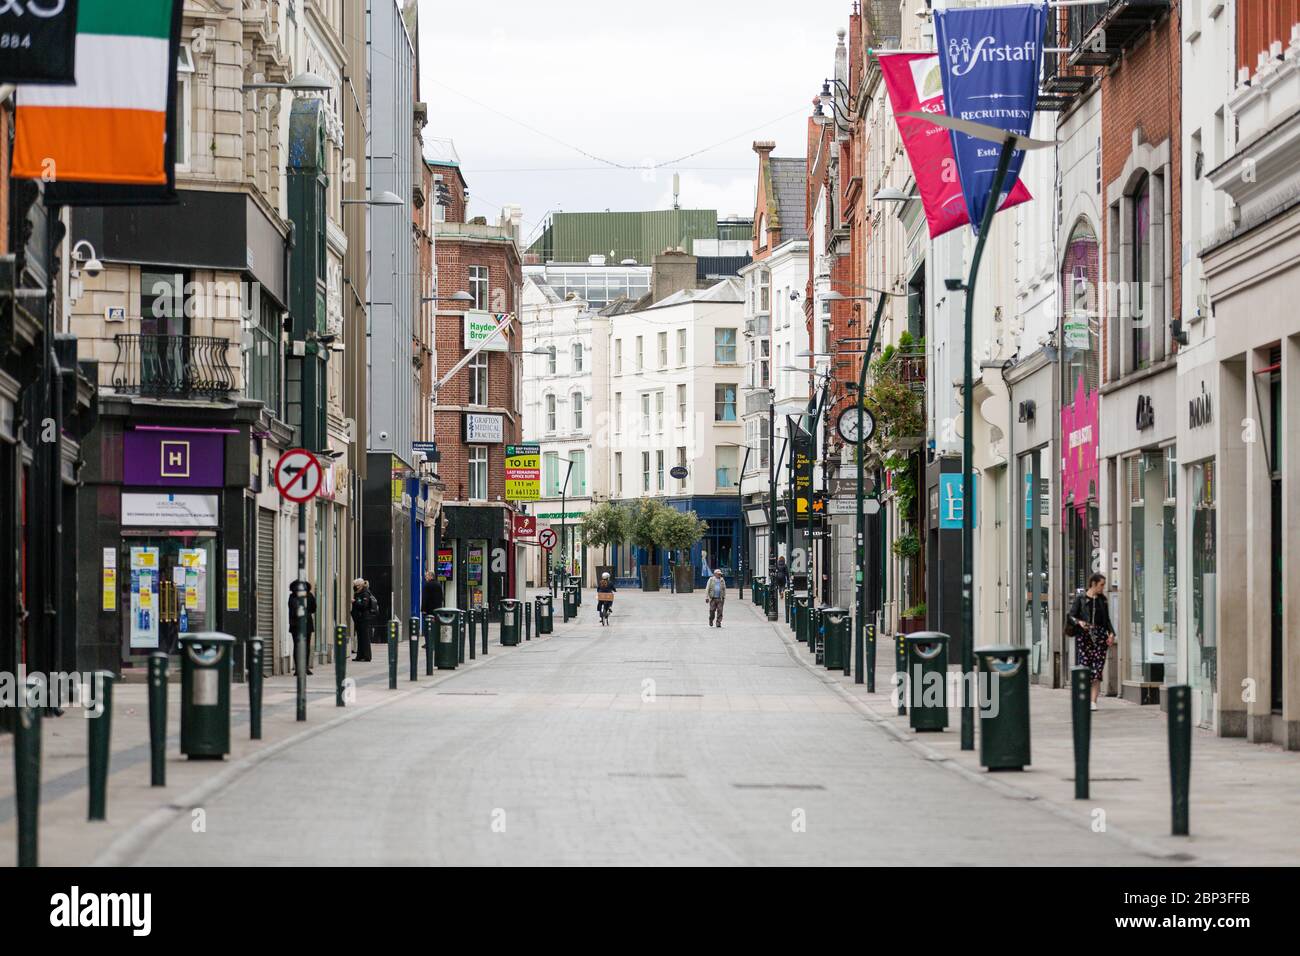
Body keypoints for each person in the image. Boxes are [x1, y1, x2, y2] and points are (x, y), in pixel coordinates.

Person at [1068, 572, 1115, 710]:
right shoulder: (1080, 599)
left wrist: (1111, 633)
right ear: (1093, 584)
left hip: (1100, 637)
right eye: (1101, 585)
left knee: (1097, 670)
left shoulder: (1103, 600)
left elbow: (1107, 620)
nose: (1103, 587)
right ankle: (1083, 698)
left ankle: (1093, 701)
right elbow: (1071, 616)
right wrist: (1080, 622)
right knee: (1085, 668)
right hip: (1084, 637)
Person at [289, 580, 316, 676]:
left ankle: (298, 669)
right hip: (305, 623)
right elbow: (313, 609)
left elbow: (292, 609)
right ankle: (305, 668)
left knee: (297, 646)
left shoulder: (292, 596)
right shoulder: (309, 595)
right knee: (306, 646)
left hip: (295, 624)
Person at [350, 578, 378, 662]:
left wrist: (355, 602)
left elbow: (364, 606)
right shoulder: (359, 593)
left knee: (365, 638)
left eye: (356, 585)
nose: (354, 587)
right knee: (360, 637)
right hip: (359, 618)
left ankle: (367, 656)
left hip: (364, 618)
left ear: (360, 586)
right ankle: (360, 655)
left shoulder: (365, 593)